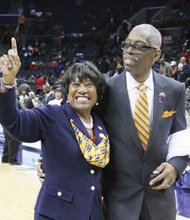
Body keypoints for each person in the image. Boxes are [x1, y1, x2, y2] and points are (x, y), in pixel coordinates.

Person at [38, 24, 189, 220]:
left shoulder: (174, 89)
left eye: (139, 46)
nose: (129, 51)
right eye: (127, 45)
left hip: (160, 199)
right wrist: (50, 159)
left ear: (156, 54)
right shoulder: (105, 90)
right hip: (118, 201)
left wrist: (175, 166)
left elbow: (180, 135)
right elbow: (75, 124)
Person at [0, 38, 110, 220]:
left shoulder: (101, 123)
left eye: (89, 85)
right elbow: (14, 122)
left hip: (93, 214)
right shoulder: (53, 115)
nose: (82, 89)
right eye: (76, 84)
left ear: (97, 92)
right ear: (67, 91)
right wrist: (8, 82)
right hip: (56, 214)